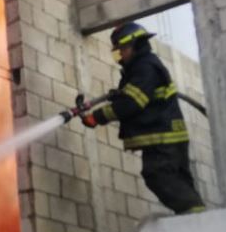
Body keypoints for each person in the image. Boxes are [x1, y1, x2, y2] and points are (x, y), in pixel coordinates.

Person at [80, 21, 205, 215]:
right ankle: (195, 217)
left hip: (162, 137)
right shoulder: (142, 67)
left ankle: (194, 217)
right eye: (118, 51)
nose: (120, 54)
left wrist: (97, 117)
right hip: (168, 136)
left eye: (122, 49)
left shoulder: (145, 66)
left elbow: (132, 103)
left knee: (157, 175)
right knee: (177, 181)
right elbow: (137, 95)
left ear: (136, 44)